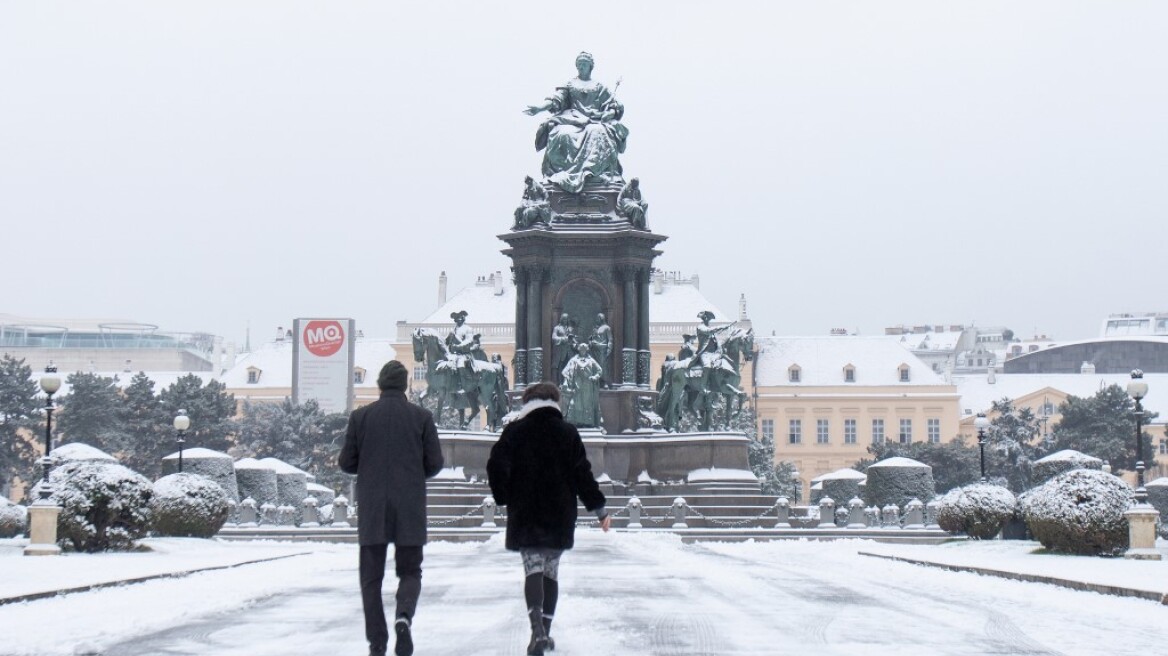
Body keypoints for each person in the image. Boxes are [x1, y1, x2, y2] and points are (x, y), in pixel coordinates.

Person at [487, 382, 611, 656]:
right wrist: (599, 509)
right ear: (555, 402)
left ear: (528, 402)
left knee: (532, 567)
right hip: (559, 512)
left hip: (526, 511)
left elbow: (496, 465)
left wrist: (504, 496)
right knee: (551, 572)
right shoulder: (568, 432)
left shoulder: (515, 431)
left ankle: (536, 631)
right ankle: (545, 629)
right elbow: (583, 474)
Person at [339, 361, 445, 656]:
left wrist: (369, 466)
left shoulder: (361, 417)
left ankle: (377, 642)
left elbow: (346, 462)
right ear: (405, 385)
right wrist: (412, 473)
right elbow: (435, 463)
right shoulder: (422, 417)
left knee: (370, 579)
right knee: (410, 571)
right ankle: (403, 617)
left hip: (372, 508)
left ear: (380, 384)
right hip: (410, 506)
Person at [524, 51, 628, 193]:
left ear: (590, 66)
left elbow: (615, 106)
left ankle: (594, 173)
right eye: (579, 64)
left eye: (584, 64)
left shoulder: (599, 86)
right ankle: (560, 174)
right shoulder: (570, 84)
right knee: (560, 133)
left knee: (598, 132)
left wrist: (609, 113)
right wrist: (539, 109)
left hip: (594, 121)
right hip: (572, 119)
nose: (581, 67)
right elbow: (555, 99)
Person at [561, 343, 603, 428]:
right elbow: (565, 371)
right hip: (577, 385)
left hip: (588, 386)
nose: (583, 350)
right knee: (577, 404)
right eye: (581, 349)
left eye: (584, 349)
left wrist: (594, 377)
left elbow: (600, 370)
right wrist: (566, 380)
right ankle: (577, 422)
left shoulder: (591, 360)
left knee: (587, 404)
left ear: (587, 350)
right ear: (579, 350)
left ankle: (588, 423)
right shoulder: (573, 360)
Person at [550, 312, 576, 384]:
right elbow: (554, 338)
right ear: (561, 319)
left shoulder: (570, 328)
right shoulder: (557, 328)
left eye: (567, 319)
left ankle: (569, 383)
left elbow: (573, 339)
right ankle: (560, 383)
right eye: (564, 319)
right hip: (561, 351)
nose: (565, 320)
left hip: (569, 351)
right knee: (560, 367)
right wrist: (564, 339)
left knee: (570, 367)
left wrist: (575, 343)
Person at [588, 312, 613, 387]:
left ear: (601, 319)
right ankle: (596, 381)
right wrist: (590, 342)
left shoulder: (606, 328)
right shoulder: (595, 328)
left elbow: (610, 339)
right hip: (594, 349)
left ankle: (604, 382)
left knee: (602, 366)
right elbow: (591, 337)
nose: (596, 320)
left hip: (602, 349)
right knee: (594, 366)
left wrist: (609, 349)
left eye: (597, 318)